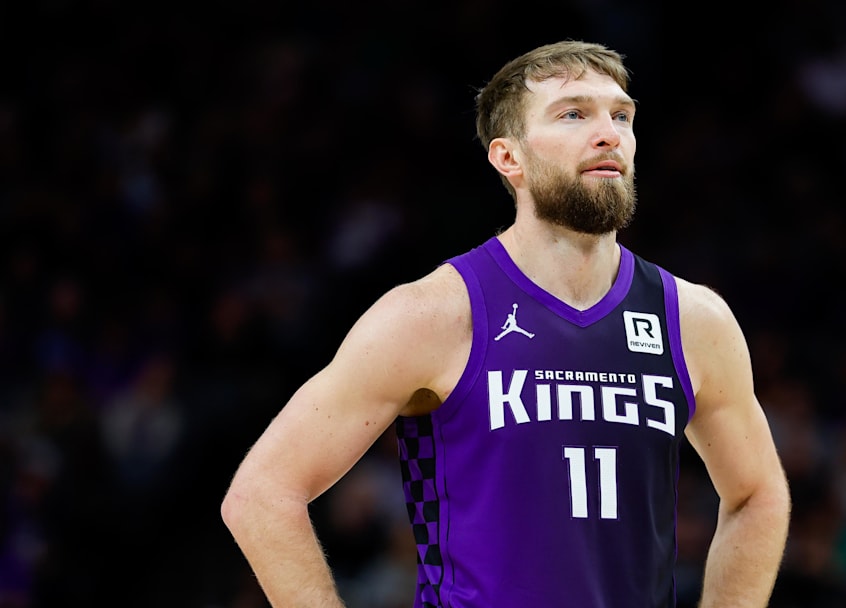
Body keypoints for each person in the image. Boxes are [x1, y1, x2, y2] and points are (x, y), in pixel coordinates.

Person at [221, 40, 791, 607]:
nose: (609, 133)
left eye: (621, 115)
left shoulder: (692, 319)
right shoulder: (433, 314)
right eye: (573, 114)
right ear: (508, 158)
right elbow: (261, 494)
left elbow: (758, 495)